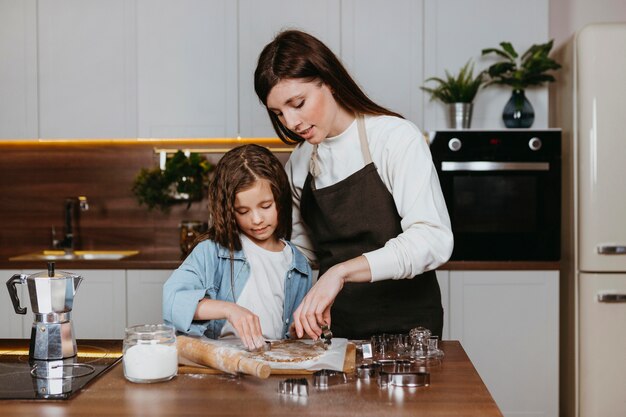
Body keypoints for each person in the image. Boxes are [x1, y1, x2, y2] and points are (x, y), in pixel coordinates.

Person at [254, 29, 453, 341]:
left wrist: (340, 272)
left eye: (298, 103)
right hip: (334, 333)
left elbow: (432, 239)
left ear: (330, 81)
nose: (290, 122)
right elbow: (301, 255)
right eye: (279, 113)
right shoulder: (299, 163)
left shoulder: (394, 138)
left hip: (408, 333)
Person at [162, 144, 313, 351]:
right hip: (221, 367)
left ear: (281, 200)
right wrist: (229, 310)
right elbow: (172, 301)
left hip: (269, 366)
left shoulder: (298, 265)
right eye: (243, 211)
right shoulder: (212, 252)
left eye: (266, 206)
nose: (257, 219)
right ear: (229, 211)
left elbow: (292, 337)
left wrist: (299, 332)